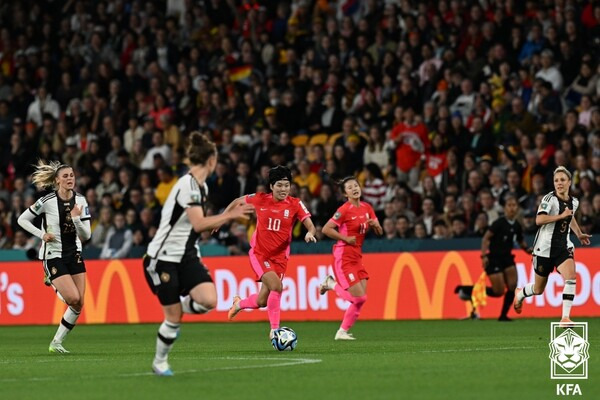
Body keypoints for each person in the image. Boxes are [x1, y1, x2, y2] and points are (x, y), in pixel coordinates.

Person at [143, 132, 253, 376]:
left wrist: (218, 219)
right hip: (163, 258)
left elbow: (199, 223)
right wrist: (227, 216)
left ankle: (179, 307)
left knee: (209, 300)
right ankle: (160, 362)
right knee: (172, 318)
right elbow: (197, 224)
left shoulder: (200, 186)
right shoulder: (187, 185)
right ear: (211, 161)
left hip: (187, 255)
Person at [226, 165, 317, 340]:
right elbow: (238, 201)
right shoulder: (260, 199)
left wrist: (310, 233)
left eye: (287, 185)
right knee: (277, 286)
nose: (284, 189)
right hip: (260, 254)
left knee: (262, 301)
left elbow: (310, 225)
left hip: (280, 258)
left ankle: (239, 304)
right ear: (271, 186)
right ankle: (275, 331)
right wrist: (221, 219)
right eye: (279, 185)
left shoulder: (296, 204)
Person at [17, 160, 92, 353]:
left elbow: (86, 236)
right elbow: (22, 219)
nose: (69, 179)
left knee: (79, 303)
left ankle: (56, 343)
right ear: (57, 180)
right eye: (65, 176)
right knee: (72, 297)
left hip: (74, 253)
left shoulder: (81, 201)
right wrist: (42, 235)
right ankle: (52, 279)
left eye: (72, 175)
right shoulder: (47, 201)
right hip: (53, 254)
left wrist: (76, 219)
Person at [513, 166, 592, 326]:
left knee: (571, 277)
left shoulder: (574, 202)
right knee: (538, 289)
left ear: (569, 182)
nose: (559, 183)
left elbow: (570, 218)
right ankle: (520, 294)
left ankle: (565, 317)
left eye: (562, 180)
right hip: (544, 249)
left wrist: (579, 233)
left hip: (563, 247)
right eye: (556, 180)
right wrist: (559, 216)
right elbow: (539, 220)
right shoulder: (549, 199)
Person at [319, 176, 383, 340]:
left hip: (357, 257)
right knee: (360, 297)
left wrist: (376, 226)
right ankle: (331, 284)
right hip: (344, 256)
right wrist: (345, 238)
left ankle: (342, 332)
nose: (355, 188)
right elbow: (326, 229)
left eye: (356, 185)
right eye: (350, 187)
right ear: (345, 194)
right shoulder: (344, 210)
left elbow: (380, 232)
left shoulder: (367, 207)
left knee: (360, 300)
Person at [454, 195, 532, 321]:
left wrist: (528, 250)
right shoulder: (499, 223)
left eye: (514, 206)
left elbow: (520, 241)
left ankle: (503, 316)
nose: (512, 208)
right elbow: (486, 238)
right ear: (505, 208)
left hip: (507, 258)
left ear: (517, 208)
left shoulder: (517, 225)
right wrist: (484, 256)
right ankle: (467, 290)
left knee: (513, 285)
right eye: (509, 205)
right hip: (494, 258)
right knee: (498, 291)